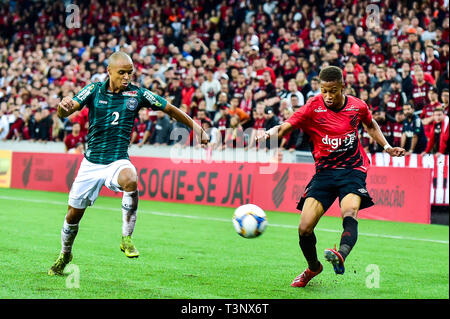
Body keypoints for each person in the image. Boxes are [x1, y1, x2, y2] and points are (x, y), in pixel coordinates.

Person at [48, 52, 208, 276]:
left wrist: (196, 128)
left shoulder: (137, 93)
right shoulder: (94, 90)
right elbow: (66, 110)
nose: (126, 77)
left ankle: (126, 238)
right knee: (73, 216)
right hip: (91, 163)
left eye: (130, 72)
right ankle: (65, 254)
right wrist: (62, 108)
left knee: (130, 179)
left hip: (118, 160)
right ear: (109, 71)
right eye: (121, 72)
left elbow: (169, 108)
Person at [257, 66, 405, 287]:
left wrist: (386, 146)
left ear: (342, 87)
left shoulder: (357, 106)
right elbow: (286, 126)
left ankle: (341, 254)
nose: (327, 96)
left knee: (350, 211)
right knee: (304, 228)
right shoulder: (312, 107)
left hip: (353, 170)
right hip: (324, 173)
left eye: (333, 91)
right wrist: (269, 133)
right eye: (324, 90)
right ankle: (314, 267)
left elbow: (370, 124)